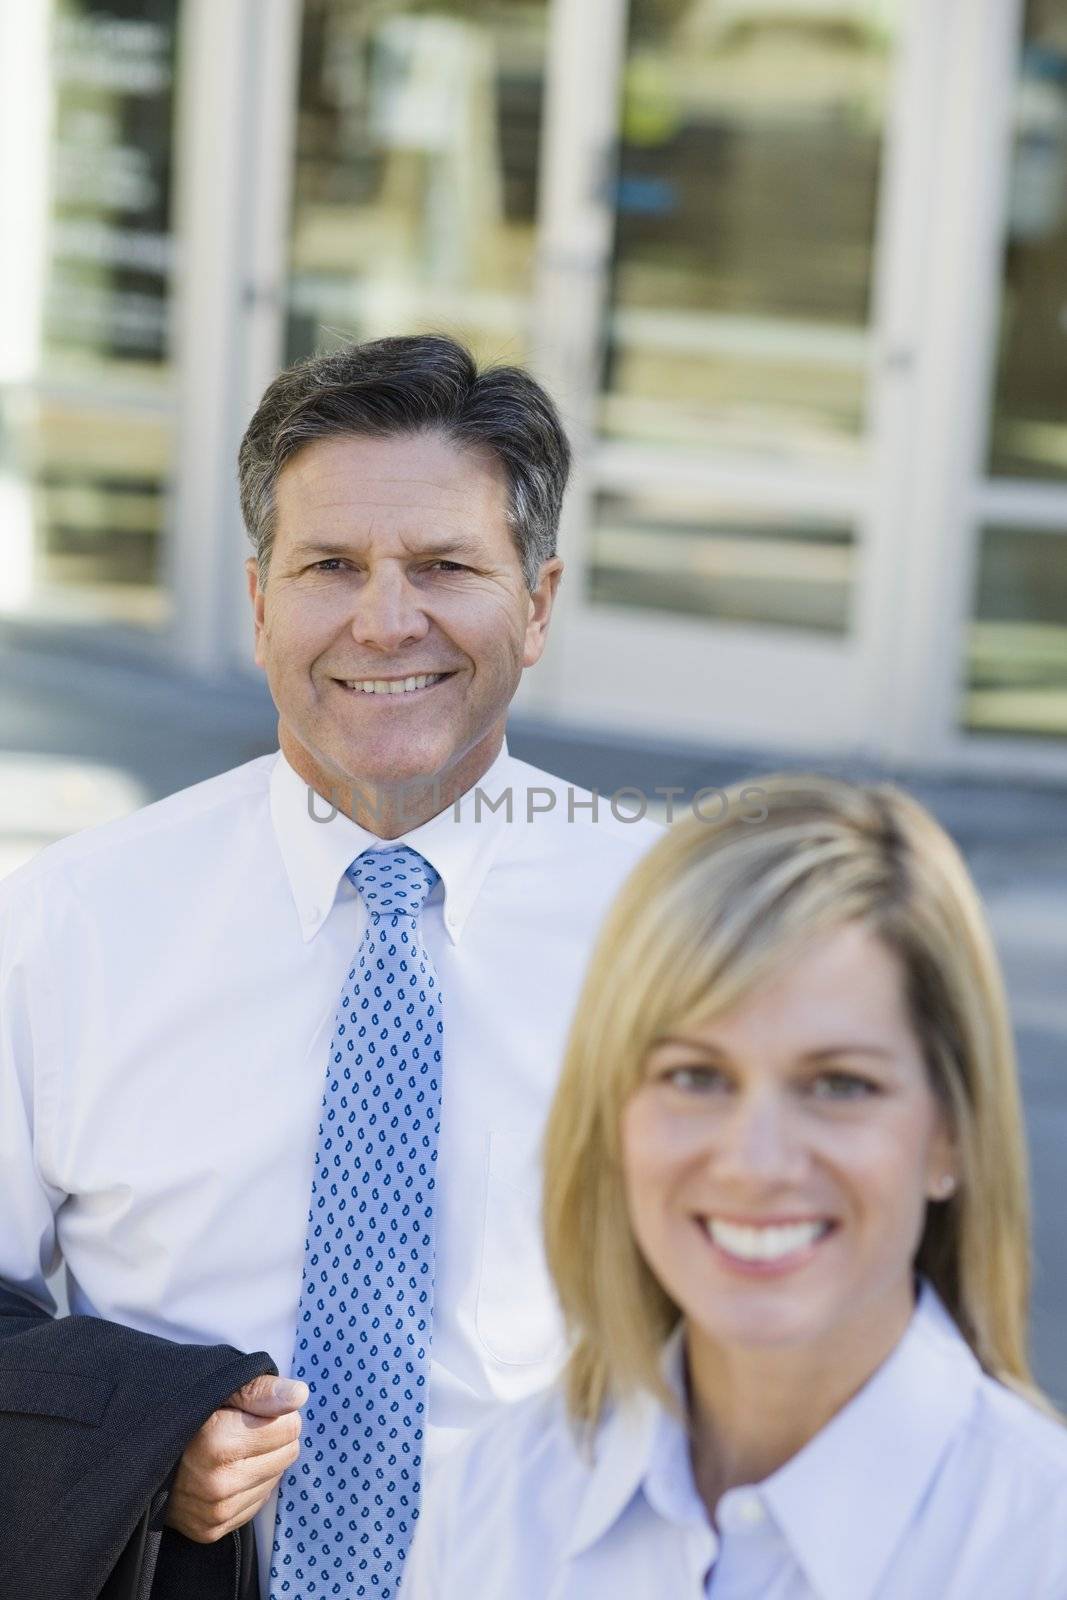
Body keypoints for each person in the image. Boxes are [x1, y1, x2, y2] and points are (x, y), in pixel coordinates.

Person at [0, 334, 661, 1599]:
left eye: (445, 565)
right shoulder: (67, 925)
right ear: (259, 603)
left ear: (537, 599)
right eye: (331, 566)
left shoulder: (672, 931)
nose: (384, 618)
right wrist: (134, 1444)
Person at [402, 773, 1067, 1599]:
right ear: (612, 1115)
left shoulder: (1042, 1547)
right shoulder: (490, 1506)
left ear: (949, 1134)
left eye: (839, 1085)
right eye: (695, 1076)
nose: (755, 1163)